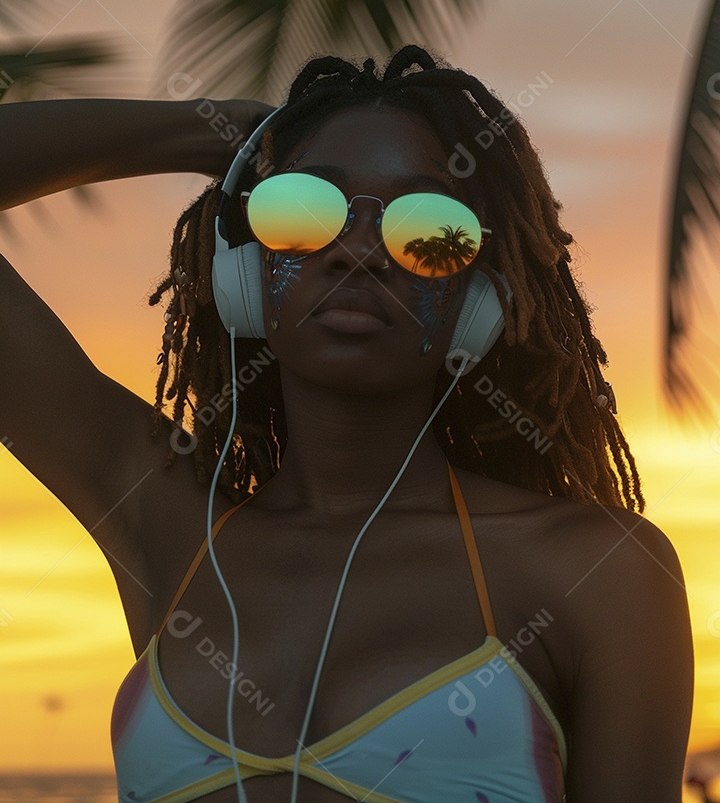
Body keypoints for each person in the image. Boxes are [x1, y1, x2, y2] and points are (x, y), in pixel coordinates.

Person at [0, 45, 693, 803]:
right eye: (303, 210)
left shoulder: (598, 571)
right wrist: (207, 134)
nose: (360, 250)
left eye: (427, 228)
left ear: (480, 301)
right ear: (243, 276)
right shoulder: (166, 530)